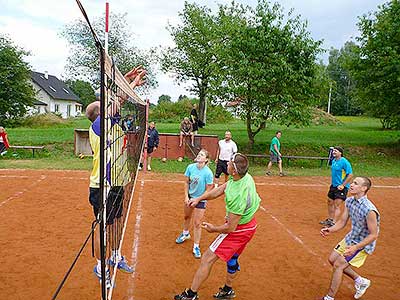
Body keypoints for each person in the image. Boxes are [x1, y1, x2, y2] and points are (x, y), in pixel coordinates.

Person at [86, 66, 146, 288]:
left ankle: (115, 255)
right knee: (104, 226)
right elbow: (117, 103)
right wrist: (128, 85)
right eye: (104, 107)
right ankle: (101, 266)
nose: (109, 107)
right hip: (102, 186)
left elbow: (117, 102)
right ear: (99, 115)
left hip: (118, 182)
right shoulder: (98, 126)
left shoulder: (110, 125)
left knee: (117, 221)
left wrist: (126, 81)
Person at [174, 153, 261, 300]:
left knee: (207, 258)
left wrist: (213, 229)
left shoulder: (238, 195)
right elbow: (218, 190)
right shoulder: (243, 177)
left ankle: (191, 294)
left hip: (239, 230)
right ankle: (228, 290)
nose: (226, 163)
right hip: (250, 225)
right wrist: (198, 198)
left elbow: (230, 228)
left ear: (233, 170)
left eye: (229, 163)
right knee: (232, 258)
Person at [318, 176, 380, 300]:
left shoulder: (369, 210)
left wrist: (356, 247)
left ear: (364, 188)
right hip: (351, 238)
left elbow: (374, 234)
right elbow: (342, 221)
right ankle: (360, 280)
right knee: (332, 259)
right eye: (352, 182)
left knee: (338, 265)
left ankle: (329, 297)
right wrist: (330, 229)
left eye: (356, 183)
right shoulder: (350, 201)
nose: (351, 185)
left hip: (361, 244)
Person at [176, 149, 214, 259]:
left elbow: (208, 190)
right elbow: (186, 182)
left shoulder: (208, 173)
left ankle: (196, 246)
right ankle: (185, 233)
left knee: (197, 223)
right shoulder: (190, 167)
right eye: (199, 154)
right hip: (190, 197)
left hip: (201, 199)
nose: (199, 155)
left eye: (202, 155)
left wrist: (198, 199)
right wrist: (186, 196)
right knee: (186, 216)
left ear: (206, 160)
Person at [320, 146, 353, 227]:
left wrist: (343, 185)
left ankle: (334, 223)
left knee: (337, 205)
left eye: (336, 151)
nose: (334, 152)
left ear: (340, 153)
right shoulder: (334, 160)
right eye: (333, 151)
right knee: (329, 201)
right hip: (334, 186)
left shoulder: (344, 162)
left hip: (341, 187)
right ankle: (330, 219)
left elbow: (350, 174)